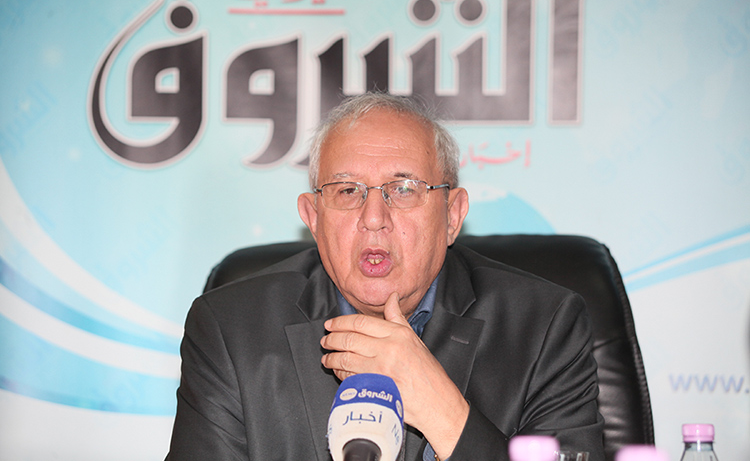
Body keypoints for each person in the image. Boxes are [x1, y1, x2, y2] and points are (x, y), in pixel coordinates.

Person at [166, 93, 605, 461]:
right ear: (313, 218)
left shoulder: (544, 327)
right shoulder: (231, 329)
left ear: (452, 216)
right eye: (347, 191)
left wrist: (443, 412)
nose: (373, 218)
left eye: (403, 189)